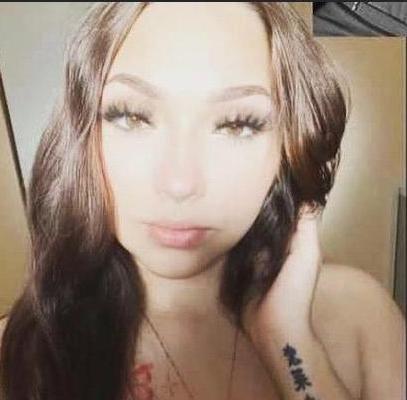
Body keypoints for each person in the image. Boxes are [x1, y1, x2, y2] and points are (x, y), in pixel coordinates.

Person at [0, 3, 405, 400]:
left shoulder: (360, 318)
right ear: (84, 131)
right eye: (132, 116)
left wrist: (289, 340)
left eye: (237, 124)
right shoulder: (14, 359)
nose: (180, 184)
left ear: (288, 146)